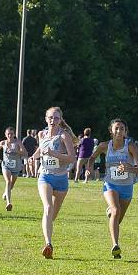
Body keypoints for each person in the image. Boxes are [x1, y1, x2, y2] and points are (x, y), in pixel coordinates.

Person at [86, 119, 138, 259]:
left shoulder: (130, 147)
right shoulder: (104, 146)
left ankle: (111, 213)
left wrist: (128, 168)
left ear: (126, 132)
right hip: (110, 184)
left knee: (117, 219)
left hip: (127, 187)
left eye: (122, 129)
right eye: (116, 128)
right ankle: (115, 245)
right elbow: (92, 158)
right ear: (111, 131)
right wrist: (89, 168)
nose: (119, 131)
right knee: (116, 210)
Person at [33, 107, 76, 259]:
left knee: (52, 215)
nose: (53, 120)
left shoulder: (64, 136)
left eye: (56, 118)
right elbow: (40, 150)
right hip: (45, 176)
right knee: (47, 207)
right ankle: (48, 243)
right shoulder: (41, 134)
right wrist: (33, 157)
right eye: (50, 117)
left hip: (61, 179)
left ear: (60, 120)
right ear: (46, 119)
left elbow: (72, 158)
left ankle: (47, 229)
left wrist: (54, 154)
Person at [0, 127, 26, 211]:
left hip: (16, 166)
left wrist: (16, 151)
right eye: (8, 134)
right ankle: (8, 203)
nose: (10, 135)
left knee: (11, 184)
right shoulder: (3, 142)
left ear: (14, 134)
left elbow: (25, 152)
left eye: (11, 134)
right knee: (8, 181)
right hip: (6, 165)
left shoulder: (18, 142)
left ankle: (5, 193)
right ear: (5, 134)